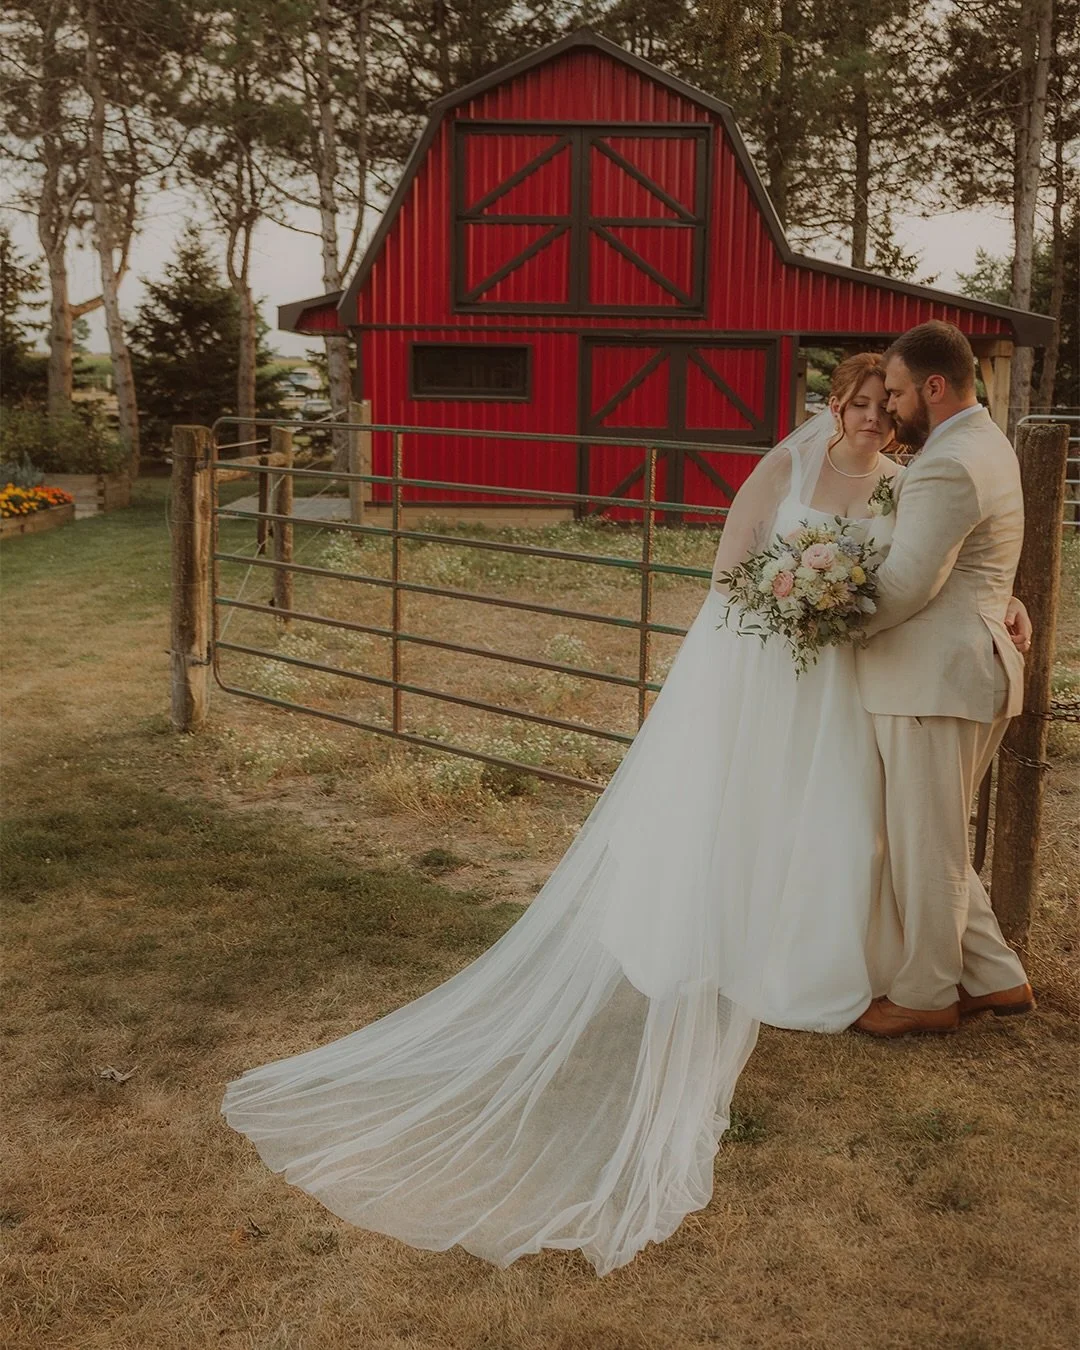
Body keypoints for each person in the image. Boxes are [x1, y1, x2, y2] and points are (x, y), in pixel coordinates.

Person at [220, 350, 1027, 1276]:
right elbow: (733, 570)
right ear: (834, 406)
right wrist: (790, 601)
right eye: (857, 403)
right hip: (761, 668)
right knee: (739, 809)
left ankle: (829, 954)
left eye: (882, 406)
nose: (870, 419)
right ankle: (730, 934)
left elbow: (937, 565)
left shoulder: (901, 483)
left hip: (842, 678)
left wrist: (1002, 607)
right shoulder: (789, 465)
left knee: (842, 820)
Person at [852, 322, 1035, 1038]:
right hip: (969, 665)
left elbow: (905, 584)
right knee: (942, 839)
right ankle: (995, 976)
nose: (890, 406)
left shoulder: (948, 461)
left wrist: (832, 623)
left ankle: (927, 994)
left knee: (924, 844)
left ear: (933, 386)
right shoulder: (988, 443)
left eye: (895, 391)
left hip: (935, 676)